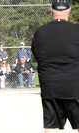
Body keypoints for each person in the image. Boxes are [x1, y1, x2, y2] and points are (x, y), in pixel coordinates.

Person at [32, 0, 79, 132]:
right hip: (75, 86)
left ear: (52, 10)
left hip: (50, 87)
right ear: (69, 10)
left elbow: (37, 55)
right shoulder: (76, 30)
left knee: (51, 127)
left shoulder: (40, 32)